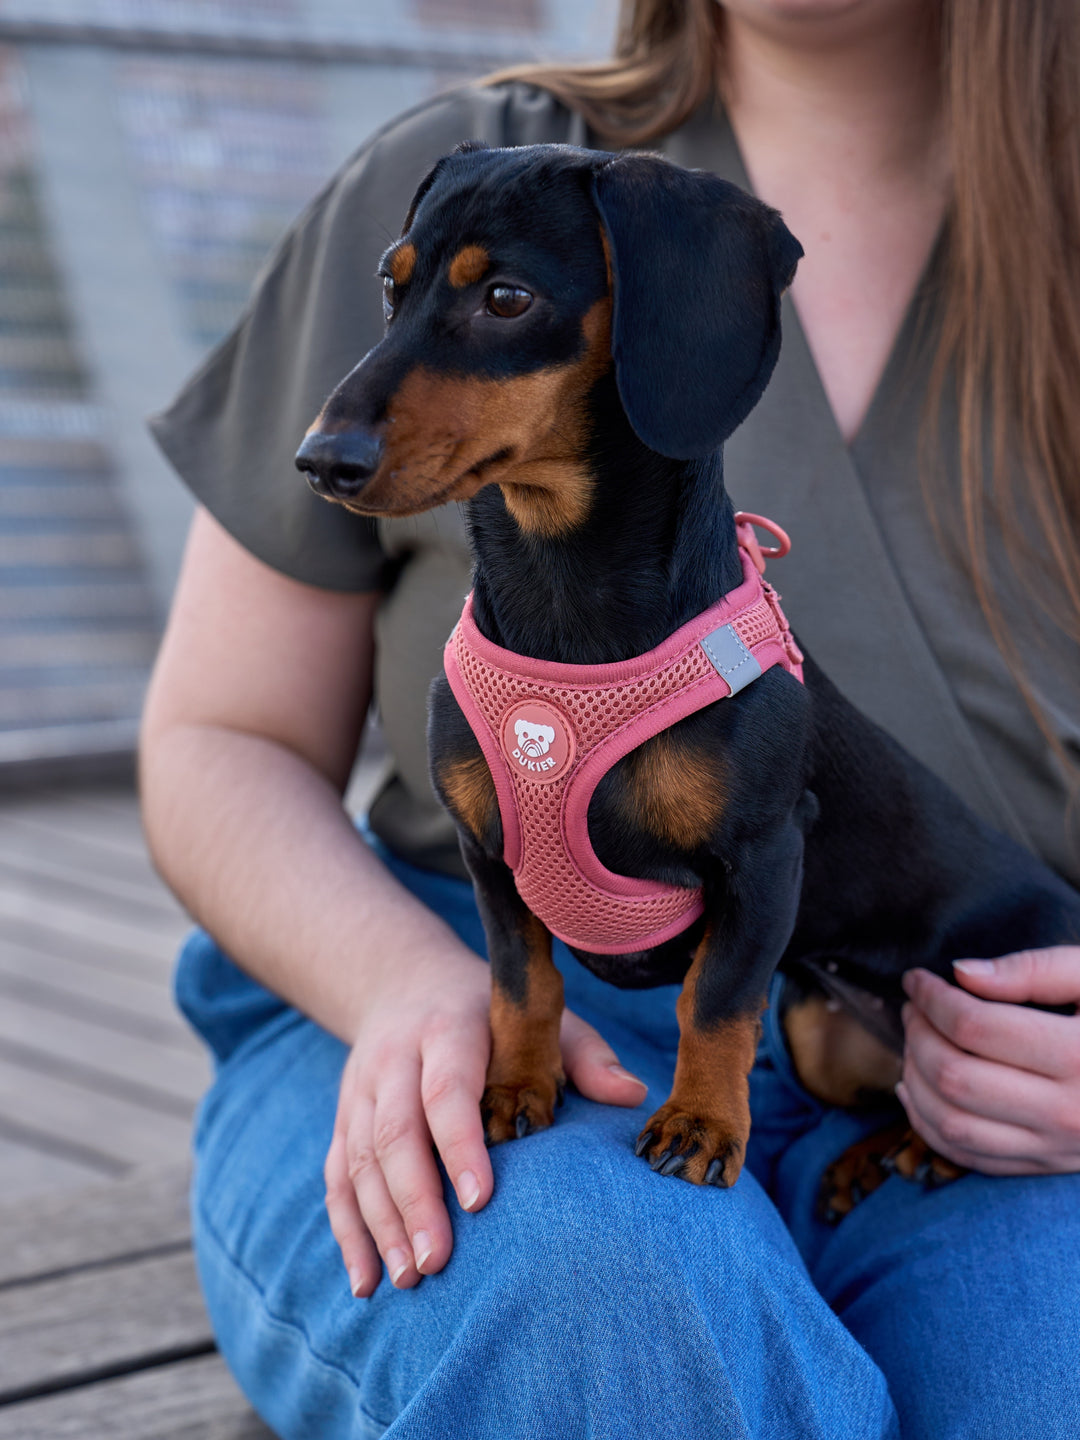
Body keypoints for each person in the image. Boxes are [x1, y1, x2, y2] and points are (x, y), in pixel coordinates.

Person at [140, 1, 1080, 1435]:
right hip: (444, 998)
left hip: (970, 1068)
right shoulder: (470, 171)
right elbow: (223, 737)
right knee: (614, 1317)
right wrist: (396, 986)